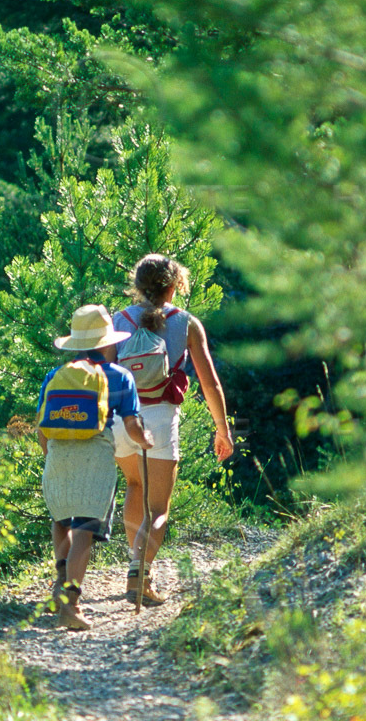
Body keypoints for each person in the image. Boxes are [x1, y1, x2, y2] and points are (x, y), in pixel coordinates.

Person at [112, 254, 234, 604]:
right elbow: (210, 384)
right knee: (159, 508)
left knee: (134, 485)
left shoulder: (117, 320)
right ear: (174, 285)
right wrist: (222, 429)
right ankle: (140, 572)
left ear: (138, 286)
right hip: (160, 420)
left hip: (123, 418)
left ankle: (135, 564)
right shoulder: (187, 324)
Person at [36, 304, 155, 632]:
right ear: (106, 343)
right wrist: (144, 440)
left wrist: (51, 454)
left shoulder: (56, 376)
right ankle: (70, 605)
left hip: (58, 454)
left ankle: (59, 587)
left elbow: (41, 428)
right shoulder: (119, 377)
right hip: (95, 457)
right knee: (85, 530)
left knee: (62, 519)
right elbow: (131, 427)